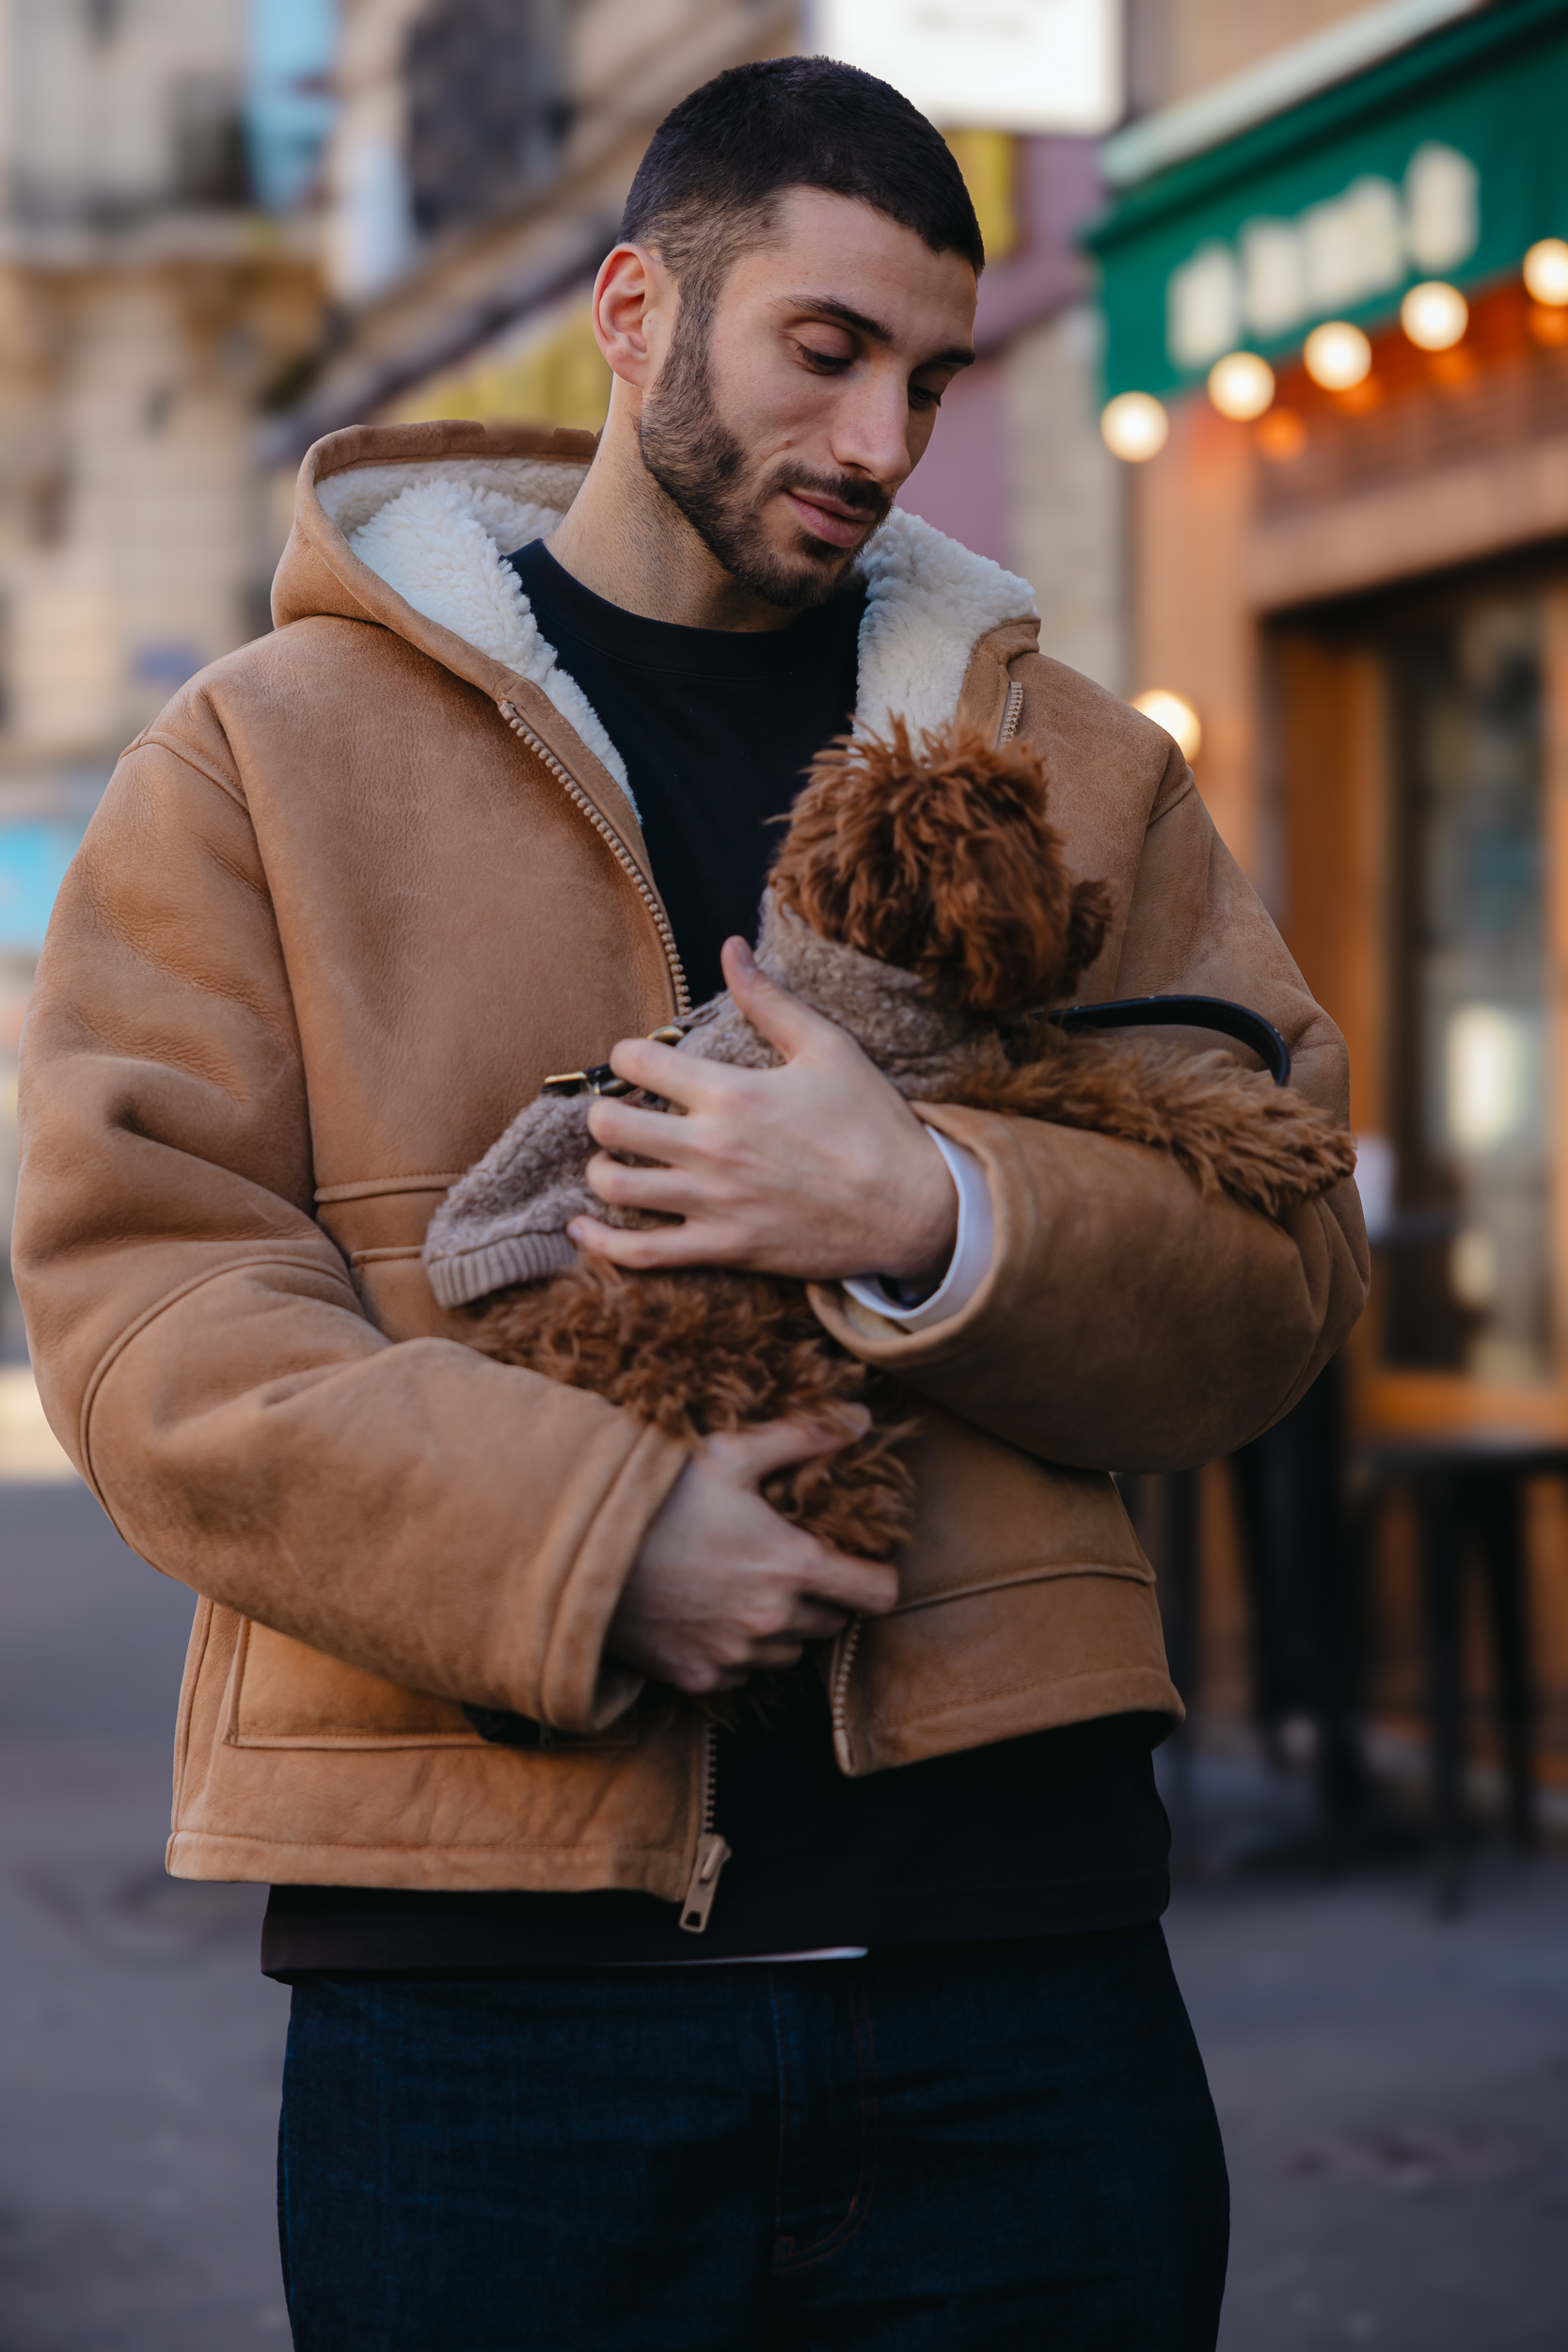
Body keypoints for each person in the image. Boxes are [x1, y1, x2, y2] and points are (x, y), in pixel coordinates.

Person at [14, 56, 1366, 2352]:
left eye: (928, 376)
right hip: (488, 2018)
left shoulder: (1080, 768)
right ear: (637, 312)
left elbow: (1281, 1276)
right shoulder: (257, 752)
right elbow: (148, 1312)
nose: (879, 439)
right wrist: (594, 1540)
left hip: (1021, 1988)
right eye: (821, 351)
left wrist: (928, 1202)